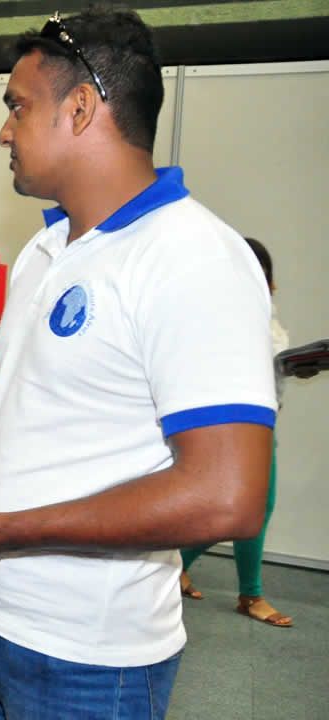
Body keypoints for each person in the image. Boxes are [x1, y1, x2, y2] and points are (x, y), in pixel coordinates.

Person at [0, 9, 277, 718]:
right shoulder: (46, 249)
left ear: (82, 107)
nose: (5, 131)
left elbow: (227, 496)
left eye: (18, 107)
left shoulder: (192, 258)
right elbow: (32, 408)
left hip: (88, 660)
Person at [179, 237, 292, 627]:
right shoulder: (220, 316)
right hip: (228, 428)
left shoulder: (267, 316)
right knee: (247, 510)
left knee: (249, 510)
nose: (268, 284)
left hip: (262, 425)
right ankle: (251, 596)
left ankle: (179, 565)